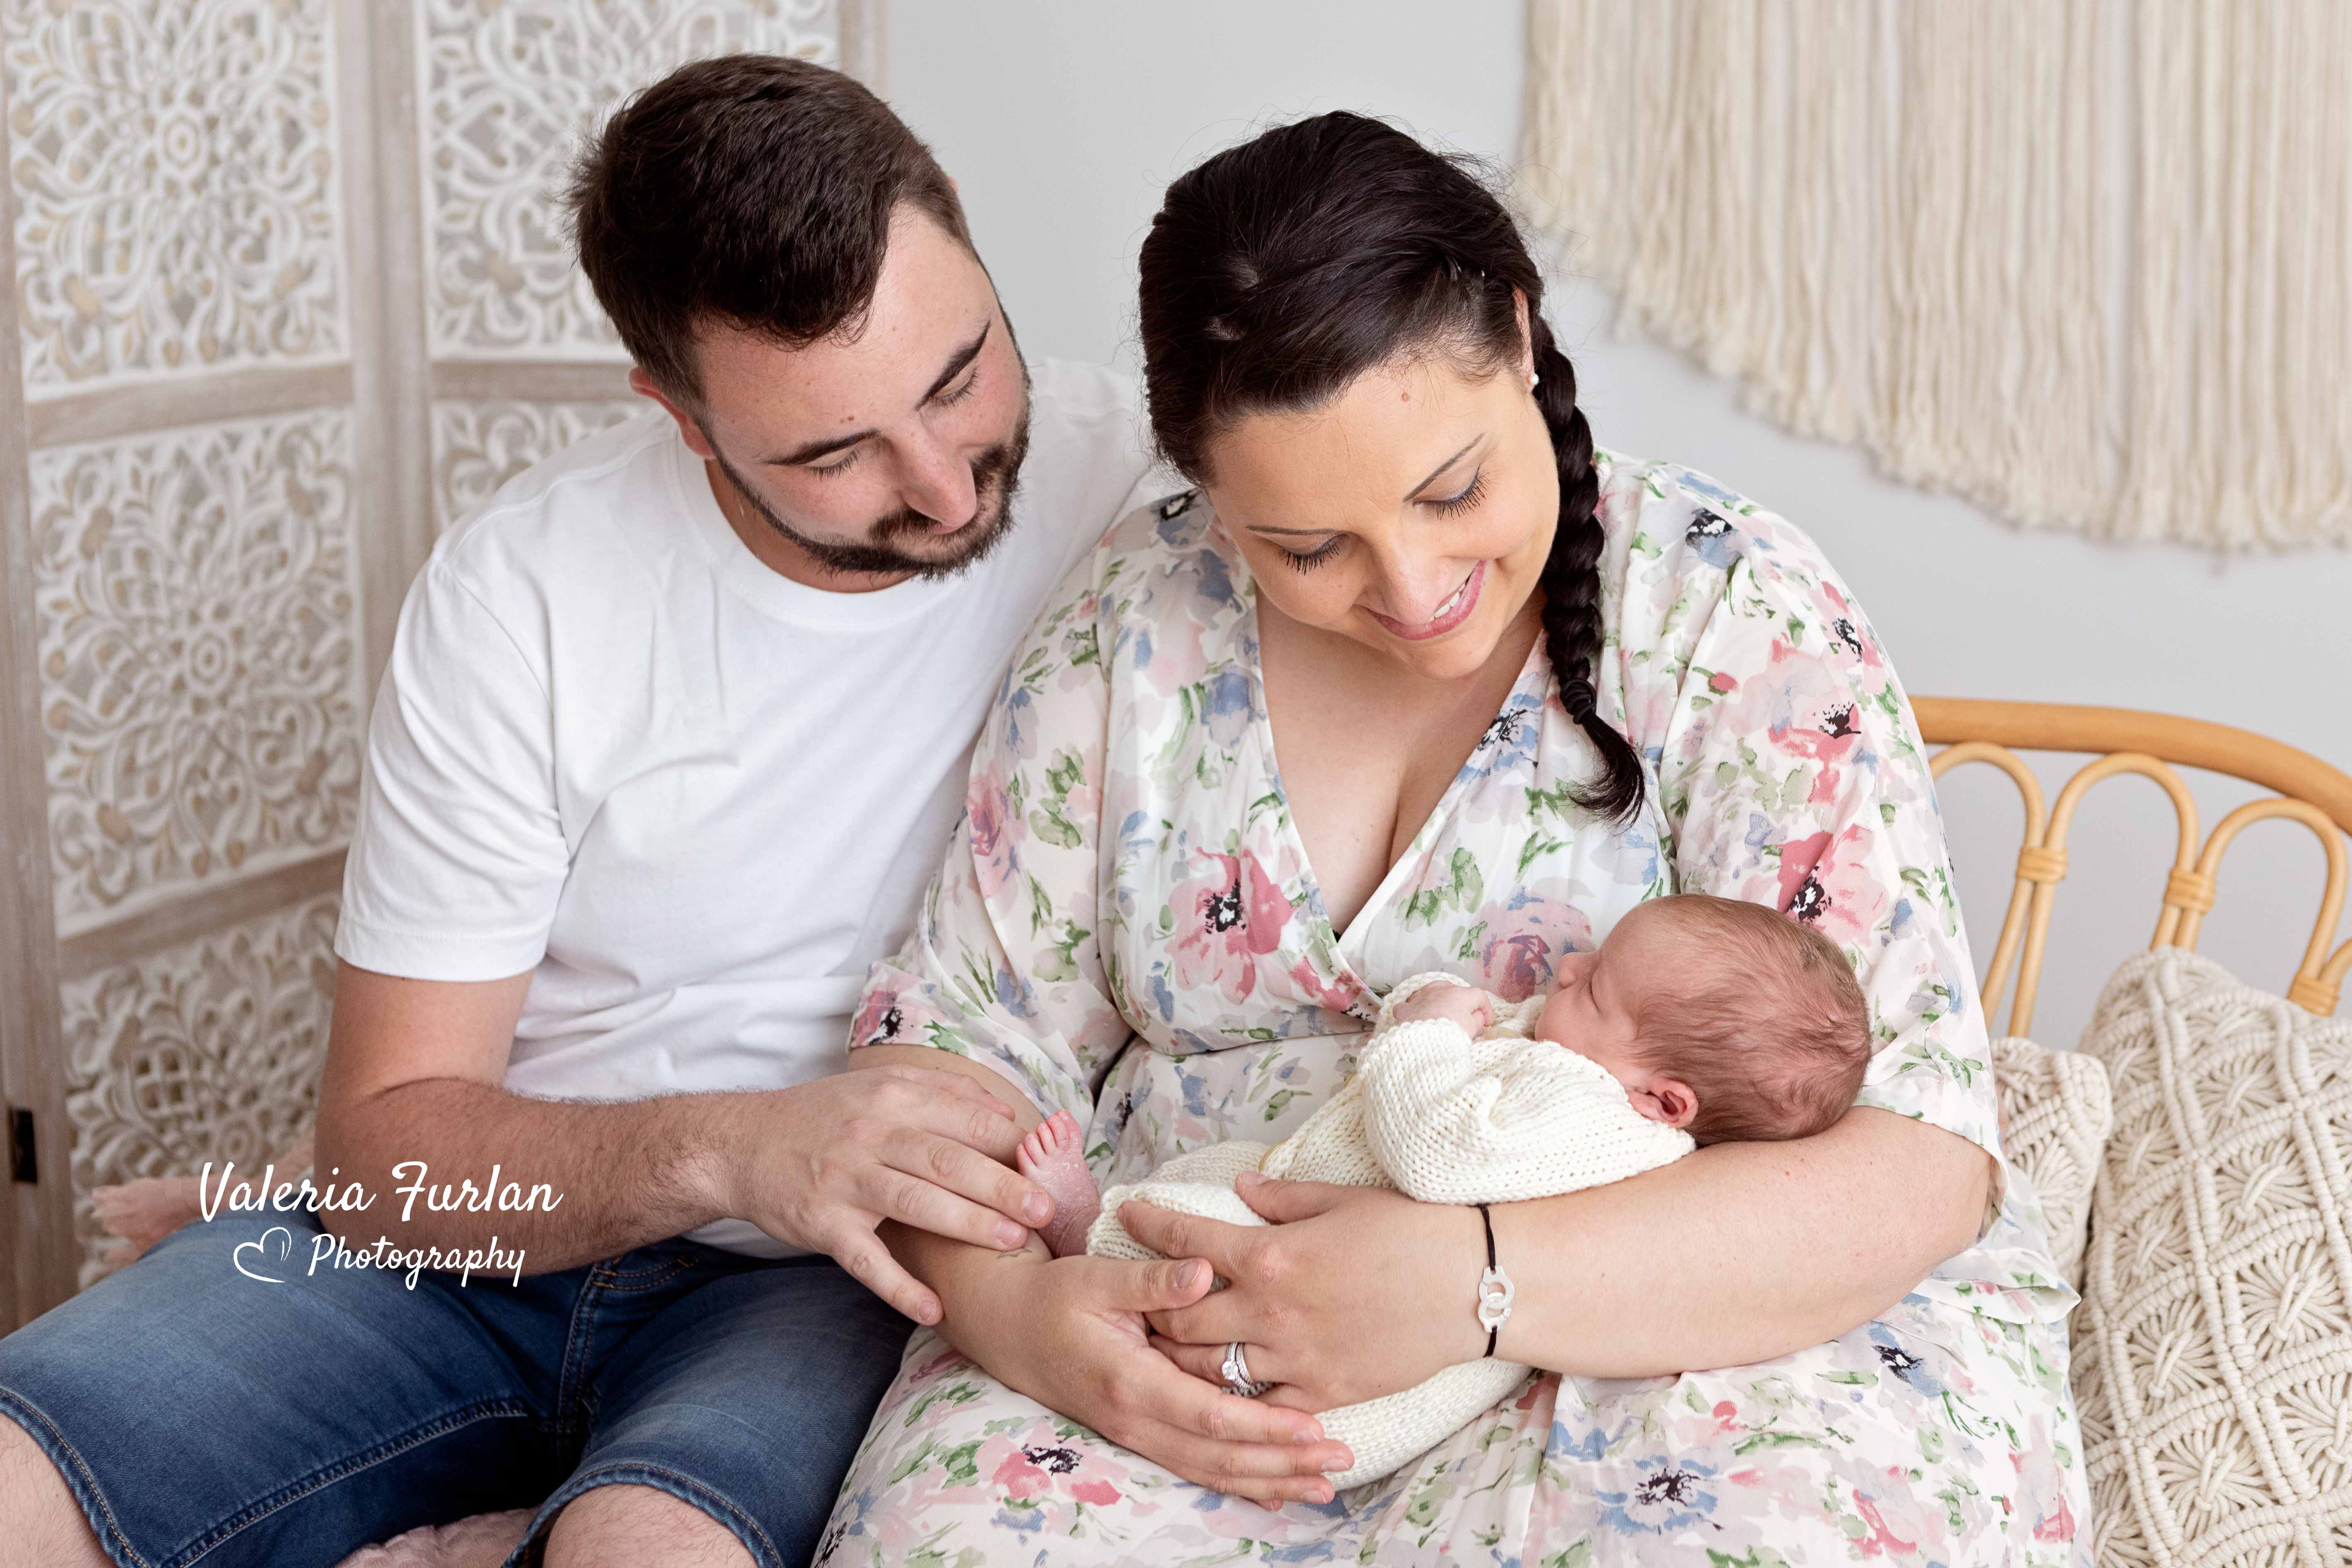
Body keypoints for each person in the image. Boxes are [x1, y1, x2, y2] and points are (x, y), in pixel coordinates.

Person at [819, 113, 2087, 1565]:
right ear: (1213, 506)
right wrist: (1025, 1323)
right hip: (1174, 1348)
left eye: (1450, 492)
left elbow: (1918, 1156)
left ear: (1523, 336)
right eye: (1308, 547)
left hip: (1673, 1334)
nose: (1416, 588)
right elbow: (949, 1058)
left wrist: (1473, 1283)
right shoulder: (1135, 626)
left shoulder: (1734, 610)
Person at [0, 55, 1174, 1568]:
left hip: (834, 1276)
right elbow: (385, 1151)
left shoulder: (1146, 488)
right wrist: (740, 1149)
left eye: (960, 373)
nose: (945, 488)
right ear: (680, 418)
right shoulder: (527, 595)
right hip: (495, 1231)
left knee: (643, 1549)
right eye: (832, 453)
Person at [1010, 891, 1874, 1489]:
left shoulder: (1599, 1115)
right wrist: (1429, 1005)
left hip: (1344, 1319)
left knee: (1194, 1227)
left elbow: (1436, 1149)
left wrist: (1423, 1032)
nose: (1567, 968)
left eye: (1595, 984)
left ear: (1664, 1098)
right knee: (1224, 1176)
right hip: (1315, 1228)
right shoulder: (1589, 1069)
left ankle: (1088, 1232)